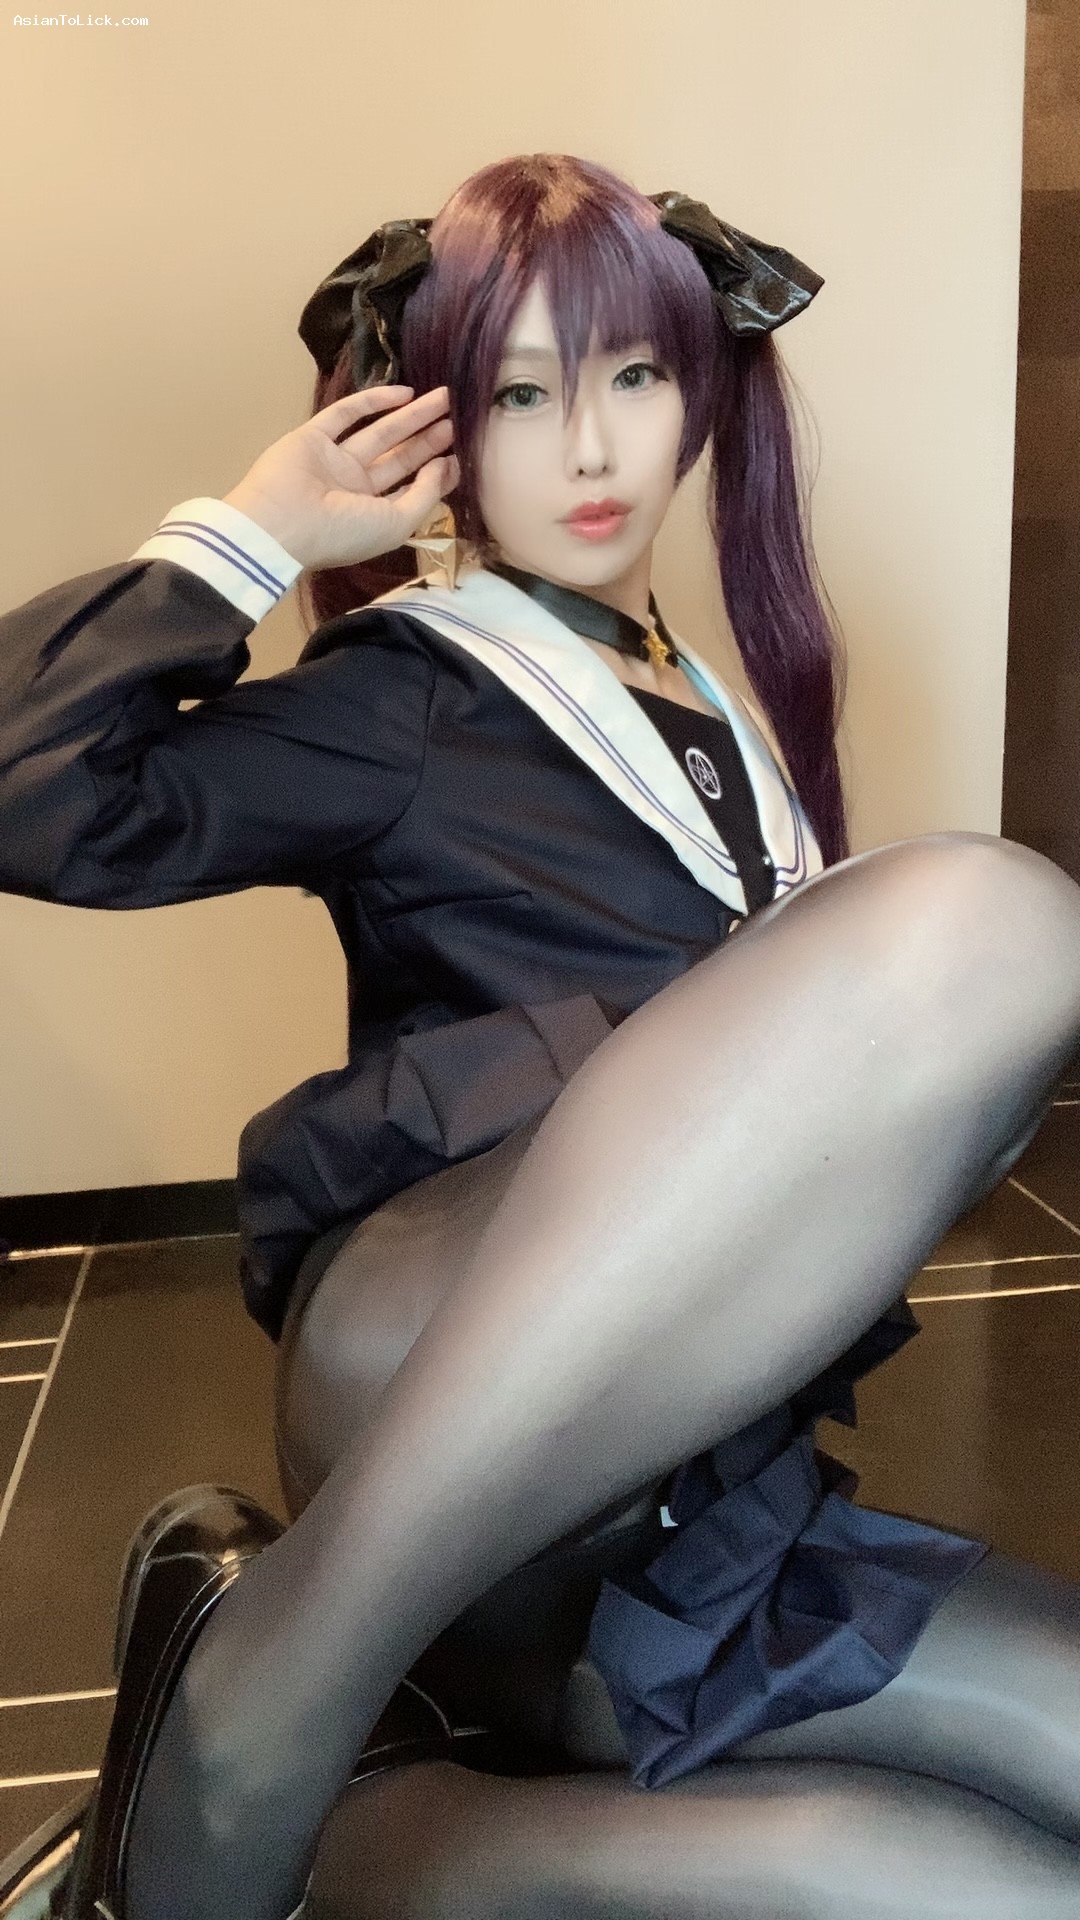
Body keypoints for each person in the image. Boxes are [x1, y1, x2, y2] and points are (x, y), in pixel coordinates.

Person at [3, 150, 1080, 1920]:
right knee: (992, 921)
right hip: (432, 1365)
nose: (590, 449)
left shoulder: (709, 709)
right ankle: (275, 1684)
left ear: (699, 392)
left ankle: (372, 1826)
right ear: (437, 428)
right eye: (519, 396)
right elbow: (27, 790)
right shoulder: (410, 694)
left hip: (665, 1492)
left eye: (635, 376)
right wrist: (254, 533)